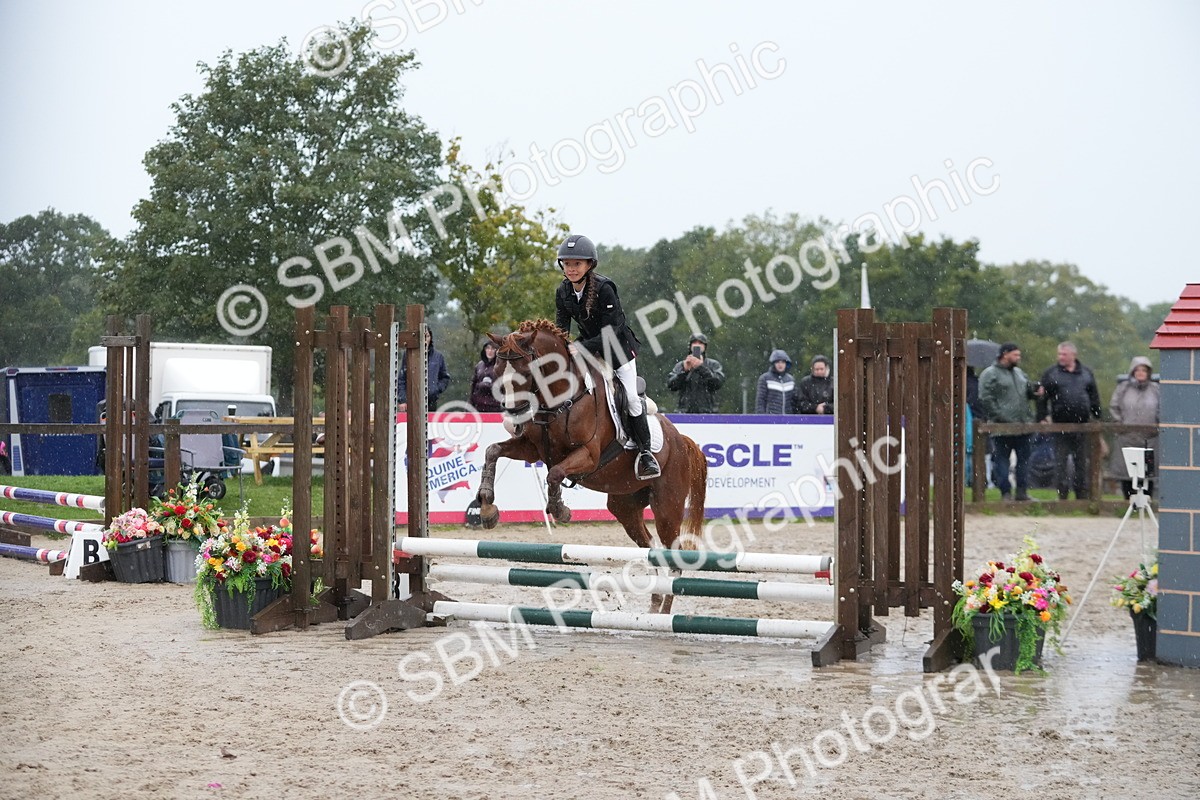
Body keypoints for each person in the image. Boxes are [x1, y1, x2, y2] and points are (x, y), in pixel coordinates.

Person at [553, 233, 659, 480]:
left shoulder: (604, 288)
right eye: (567, 264)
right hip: (588, 350)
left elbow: (614, 330)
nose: (571, 269)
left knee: (631, 399)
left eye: (577, 264)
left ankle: (646, 454)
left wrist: (582, 347)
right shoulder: (563, 291)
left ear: (589, 265)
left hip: (618, 351)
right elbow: (561, 328)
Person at [1037, 341, 1101, 500]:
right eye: (1059, 354)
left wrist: (1098, 415)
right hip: (1060, 425)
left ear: (1073, 355)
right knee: (1061, 463)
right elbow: (1042, 398)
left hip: (1082, 425)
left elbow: (1094, 396)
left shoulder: (1086, 373)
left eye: (1064, 354)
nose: (1060, 357)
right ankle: (1062, 496)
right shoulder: (1051, 373)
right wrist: (1041, 416)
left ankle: (1082, 496)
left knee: (1082, 462)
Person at [979, 342, 1042, 501]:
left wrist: (1036, 392)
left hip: (1023, 425)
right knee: (1001, 461)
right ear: (1005, 354)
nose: (1018, 358)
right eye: (1016, 354)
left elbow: (1028, 392)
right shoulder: (990, 374)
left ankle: (1022, 492)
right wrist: (1000, 416)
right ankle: (1005, 492)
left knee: (1024, 461)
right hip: (1002, 427)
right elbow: (986, 398)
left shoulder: (1020, 373)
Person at [1108, 356, 1160, 499]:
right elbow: (1114, 407)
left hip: (1149, 440)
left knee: (1147, 473)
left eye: (1144, 370)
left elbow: (1162, 410)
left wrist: (1157, 426)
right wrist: (1120, 426)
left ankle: (1146, 502)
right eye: (1138, 370)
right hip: (1127, 439)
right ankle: (1129, 502)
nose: (1141, 373)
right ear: (1132, 371)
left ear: (1148, 372)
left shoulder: (1156, 389)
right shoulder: (1123, 388)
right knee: (1127, 473)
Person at [666, 333, 725, 413]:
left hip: (708, 412)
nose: (697, 345)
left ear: (705, 346)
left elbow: (717, 383)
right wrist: (685, 371)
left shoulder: (713, 364)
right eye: (694, 343)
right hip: (684, 412)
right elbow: (671, 385)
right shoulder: (682, 365)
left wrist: (701, 367)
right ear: (690, 346)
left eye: (700, 343)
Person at [397, 328, 450, 412]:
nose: (425, 340)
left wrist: (436, 389)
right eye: (423, 337)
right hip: (411, 399)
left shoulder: (438, 357)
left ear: (431, 338)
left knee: (429, 424)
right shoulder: (408, 355)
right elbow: (402, 378)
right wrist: (402, 399)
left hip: (431, 400)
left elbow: (445, 377)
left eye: (427, 336)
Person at [755, 349, 795, 414]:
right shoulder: (765, 378)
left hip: (788, 419)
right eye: (778, 362)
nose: (780, 365)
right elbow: (760, 401)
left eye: (783, 362)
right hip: (770, 419)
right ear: (773, 364)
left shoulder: (791, 380)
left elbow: (794, 402)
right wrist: (762, 417)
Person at [469, 340, 503, 413]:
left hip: (495, 407)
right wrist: (470, 405)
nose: (490, 351)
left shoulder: (501, 366)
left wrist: (490, 386)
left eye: (493, 349)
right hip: (479, 407)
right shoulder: (479, 365)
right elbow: (473, 386)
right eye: (488, 348)